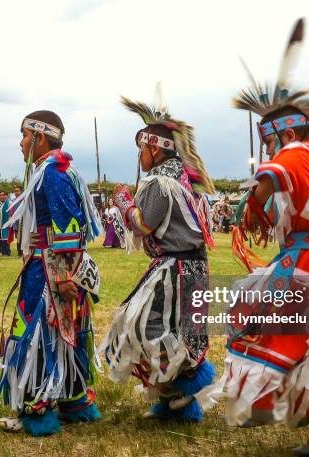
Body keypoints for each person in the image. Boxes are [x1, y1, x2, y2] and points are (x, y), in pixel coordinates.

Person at [197, 19, 309, 455]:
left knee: (261, 321)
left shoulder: (295, 151)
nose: (268, 151)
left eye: (269, 142)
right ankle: (307, 418)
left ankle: (267, 403)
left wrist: (251, 202)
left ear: (282, 134)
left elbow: (265, 186)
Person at [103, 87, 216, 422]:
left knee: (144, 324)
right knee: (182, 330)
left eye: (142, 149)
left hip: (175, 268)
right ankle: (175, 405)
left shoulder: (158, 184)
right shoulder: (186, 180)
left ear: (155, 148)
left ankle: (184, 387)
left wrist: (124, 200)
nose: (140, 156)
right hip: (194, 266)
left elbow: (143, 225)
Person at [0, 110, 103, 436]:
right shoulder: (55, 169)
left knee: (37, 333)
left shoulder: (53, 173)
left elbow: (68, 226)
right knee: (62, 334)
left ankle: (37, 409)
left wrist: (63, 276)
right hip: (51, 265)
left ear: (41, 138)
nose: (21, 142)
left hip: (49, 271)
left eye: (25, 136)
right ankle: (73, 402)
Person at [0, 190, 13, 256]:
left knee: (5, 238)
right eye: (0, 195)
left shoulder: (9, 203)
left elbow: (11, 214)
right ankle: (3, 252)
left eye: (3, 195)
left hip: (6, 224)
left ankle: (7, 252)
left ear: (6, 196)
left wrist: (9, 223)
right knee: (1, 239)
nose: (1, 196)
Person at [11, 185, 23, 256]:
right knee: (18, 239)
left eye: (17, 191)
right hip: (16, 223)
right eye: (15, 191)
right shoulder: (14, 201)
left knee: (22, 238)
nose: (16, 192)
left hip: (23, 223)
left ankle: (22, 252)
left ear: (21, 191)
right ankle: (19, 253)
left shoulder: (23, 200)